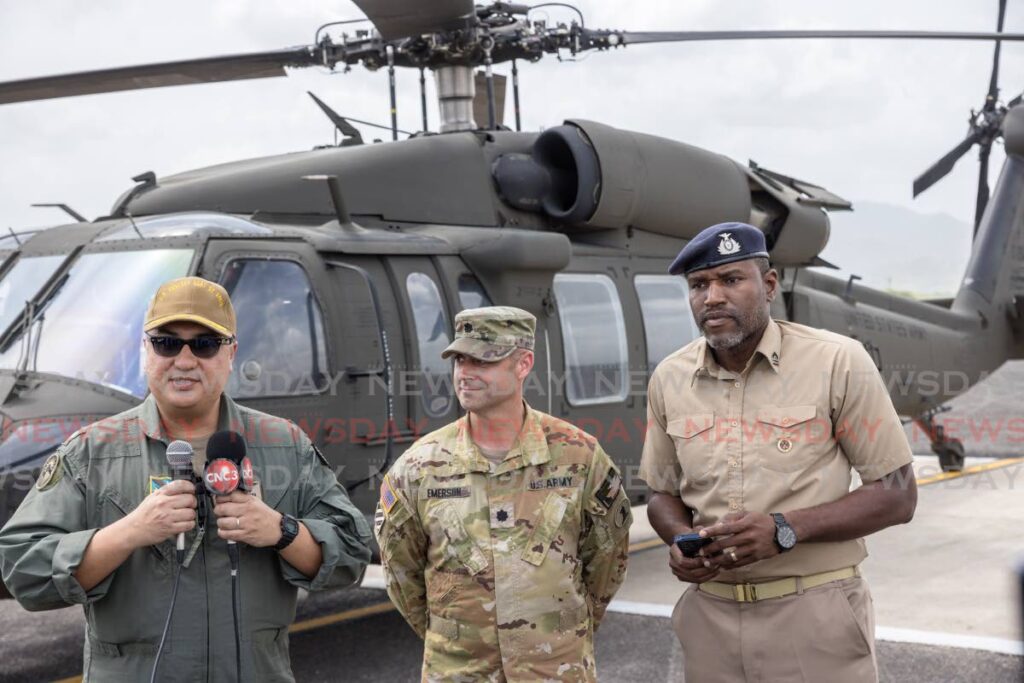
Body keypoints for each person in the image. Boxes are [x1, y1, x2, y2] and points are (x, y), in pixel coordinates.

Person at [0, 276, 371, 682]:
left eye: (206, 344)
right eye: (167, 342)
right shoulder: (91, 452)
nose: (185, 360)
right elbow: (23, 569)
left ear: (231, 354)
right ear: (145, 351)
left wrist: (281, 531)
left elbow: (352, 552)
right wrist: (130, 532)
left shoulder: (284, 444)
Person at [640, 223, 917, 682]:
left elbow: (898, 494)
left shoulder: (837, 361)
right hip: (711, 621)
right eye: (698, 285)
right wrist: (678, 540)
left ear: (769, 286)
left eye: (730, 280)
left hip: (813, 614)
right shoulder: (670, 378)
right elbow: (661, 494)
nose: (712, 297)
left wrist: (785, 529)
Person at [375, 306, 632, 682]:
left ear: (523, 364)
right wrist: (463, 637)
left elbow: (608, 559)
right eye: (460, 360)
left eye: (482, 361)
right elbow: (402, 576)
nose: (465, 373)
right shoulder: (418, 468)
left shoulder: (578, 456)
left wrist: (553, 631)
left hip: (555, 670)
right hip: (460, 672)